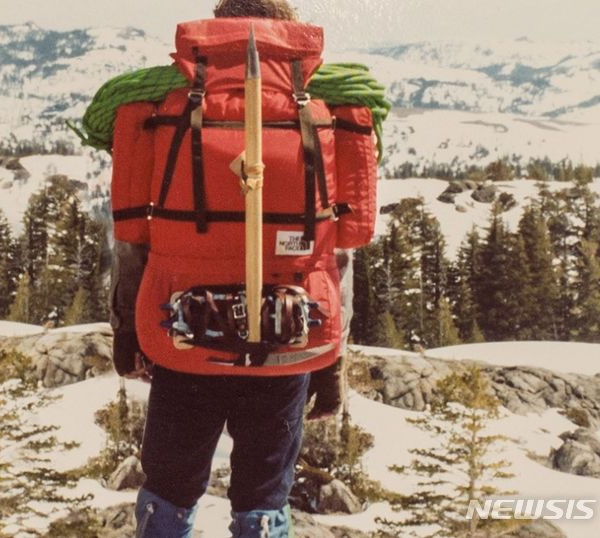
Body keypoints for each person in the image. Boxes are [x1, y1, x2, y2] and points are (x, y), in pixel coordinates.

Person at [100, 0, 387, 535]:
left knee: (169, 490)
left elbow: (134, 235)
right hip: (289, 337)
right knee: (262, 497)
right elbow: (335, 250)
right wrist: (331, 358)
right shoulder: (324, 107)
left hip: (181, 334)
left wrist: (127, 331)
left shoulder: (168, 103)